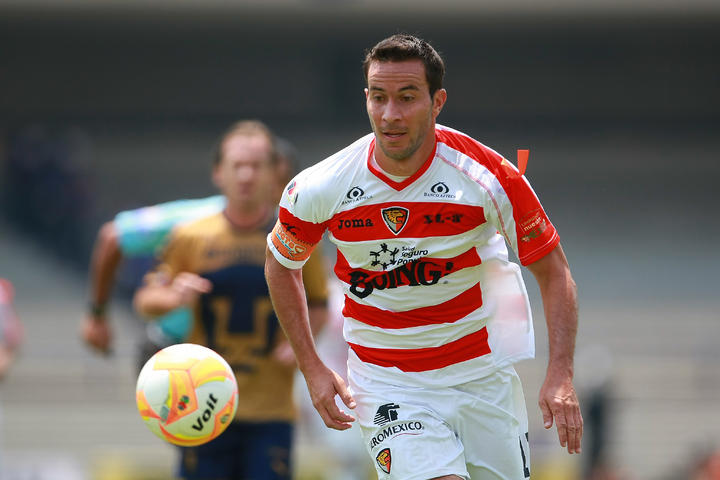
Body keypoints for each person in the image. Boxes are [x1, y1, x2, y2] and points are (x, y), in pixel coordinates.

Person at [265, 34, 582, 479]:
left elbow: (554, 272)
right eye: (379, 97)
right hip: (387, 381)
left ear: (437, 102)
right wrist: (312, 366)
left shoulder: (490, 177)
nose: (390, 114)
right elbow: (281, 265)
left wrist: (561, 373)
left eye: (407, 97)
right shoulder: (322, 186)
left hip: (481, 373)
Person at [134, 120, 329, 480]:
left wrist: (300, 344)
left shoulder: (296, 237)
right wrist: (173, 296)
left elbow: (319, 304)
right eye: (237, 165)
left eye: (256, 166)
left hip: (270, 409)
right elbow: (145, 300)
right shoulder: (190, 237)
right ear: (217, 172)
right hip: (201, 406)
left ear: (274, 173)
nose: (246, 175)